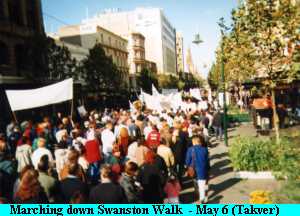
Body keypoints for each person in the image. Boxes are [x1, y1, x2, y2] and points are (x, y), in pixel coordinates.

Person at [185, 135, 210, 203]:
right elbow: (207, 160)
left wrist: (187, 167)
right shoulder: (205, 149)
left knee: (197, 184)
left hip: (194, 170)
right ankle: (204, 197)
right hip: (203, 170)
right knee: (204, 184)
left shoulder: (190, 149)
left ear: (194, 142)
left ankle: (201, 198)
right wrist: (208, 168)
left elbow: (187, 161)